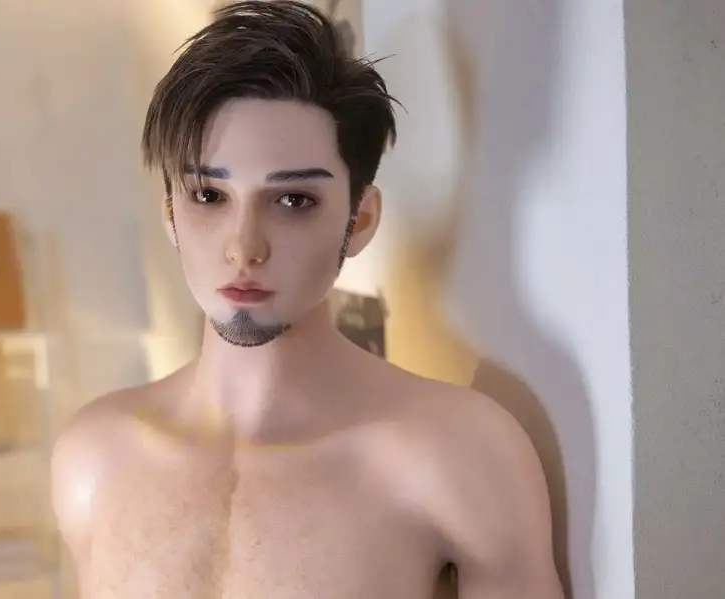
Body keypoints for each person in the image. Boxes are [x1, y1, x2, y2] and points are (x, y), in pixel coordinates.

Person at [50, 1, 564, 597]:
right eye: (209, 196)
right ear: (170, 214)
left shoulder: (457, 453)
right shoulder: (94, 457)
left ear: (359, 220)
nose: (244, 248)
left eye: (293, 200)